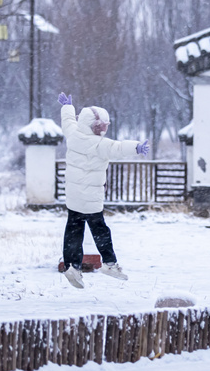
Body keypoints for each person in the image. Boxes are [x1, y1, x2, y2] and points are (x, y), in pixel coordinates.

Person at [58, 92, 150, 289]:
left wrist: (67, 107)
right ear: (94, 126)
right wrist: (137, 148)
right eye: (100, 126)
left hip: (74, 196)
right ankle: (109, 263)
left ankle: (72, 266)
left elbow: (68, 121)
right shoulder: (101, 145)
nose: (102, 130)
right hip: (92, 199)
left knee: (73, 231)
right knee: (100, 230)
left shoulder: (73, 135)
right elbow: (119, 148)